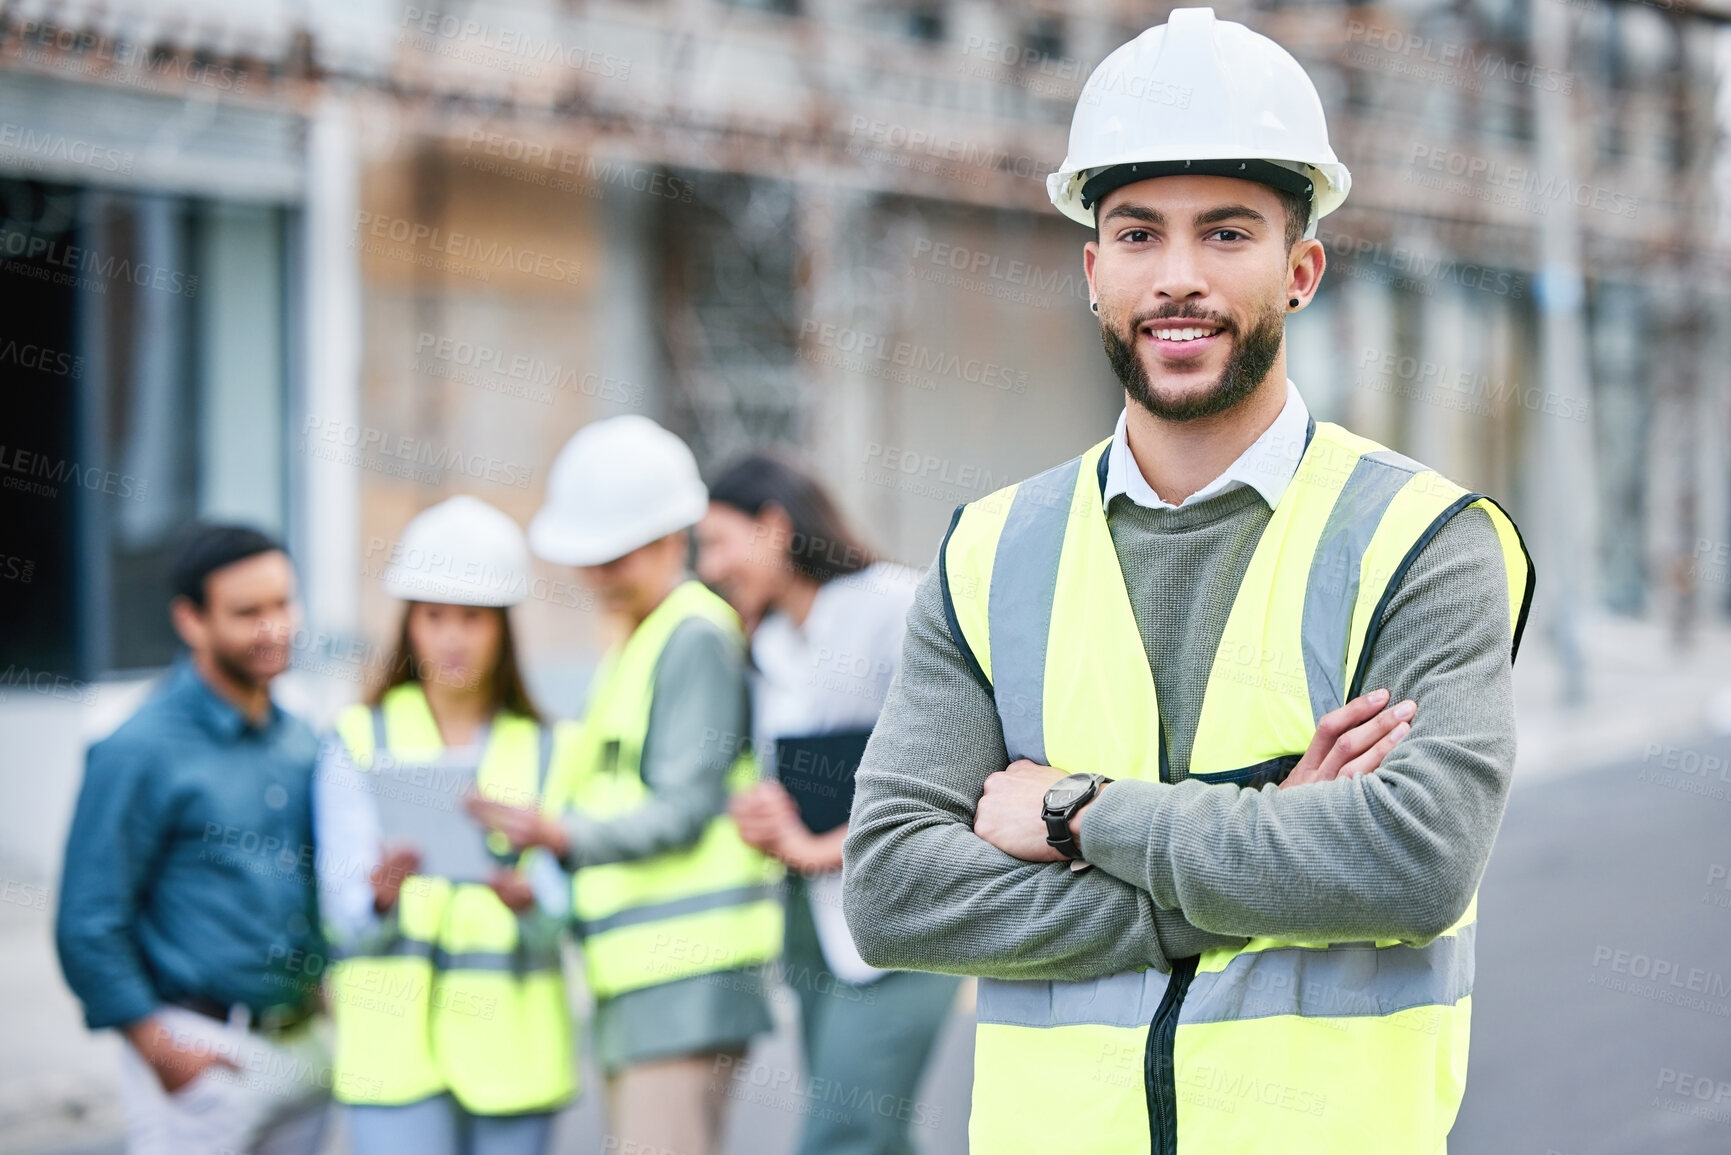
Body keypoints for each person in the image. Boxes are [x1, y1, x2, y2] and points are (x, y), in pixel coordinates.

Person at [841, 9, 1537, 1155]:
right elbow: (895, 892)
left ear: (1300, 269)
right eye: (1137, 235)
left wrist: (1074, 811)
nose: (1177, 280)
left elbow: (1412, 861)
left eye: (1225, 234)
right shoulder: (990, 550)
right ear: (1093, 268)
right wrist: (1268, 852)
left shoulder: (1423, 540)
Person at [471, 415, 780, 1155]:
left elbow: (681, 809)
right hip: (647, 980)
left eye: (615, 555)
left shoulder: (692, 635)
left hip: (687, 978)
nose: (597, 574)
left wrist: (558, 835)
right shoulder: (641, 641)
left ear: (670, 537)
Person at [697, 454, 961, 1155]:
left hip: (905, 914)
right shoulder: (770, 639)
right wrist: (762, 817)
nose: (710, 566)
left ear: (775, 527)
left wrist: (822, 844)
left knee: (842, 1133)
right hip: (808, 919)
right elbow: (794, 779)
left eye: (718, 542)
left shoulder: (893, 605)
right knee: (879, 1132)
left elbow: (952, 764)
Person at [55, 525, 332, 1155]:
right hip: (200, 1059)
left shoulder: (299, 738)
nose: (275, 627)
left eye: (283, 604)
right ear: (191, 619)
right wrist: (159, 1048)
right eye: (247, 612)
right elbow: (87, 919)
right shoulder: (138, 749)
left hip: (305, 1049)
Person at [314, 496, 575, 1155]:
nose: (452, 637)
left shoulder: (548, 745)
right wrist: (377, 893)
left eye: (472, 618)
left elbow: (567, 904)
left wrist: (530, 899)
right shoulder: (358, 736)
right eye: (434, 616)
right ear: (409, 625)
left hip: (513, 1054)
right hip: (392, 1055)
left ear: (501, 629)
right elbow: (340, 911)